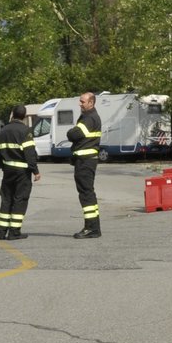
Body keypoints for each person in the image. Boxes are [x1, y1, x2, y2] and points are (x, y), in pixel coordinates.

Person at [0, 103, 41, 240]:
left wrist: (0, 166)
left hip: (8, 171)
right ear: (24, 116)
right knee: (20, 200)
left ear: (12, 114)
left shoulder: (2, 131)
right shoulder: (26, 131)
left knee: (6, 199)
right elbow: (30, 153)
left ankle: (1, 232)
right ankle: (14, 232)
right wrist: (35, 171)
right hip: (22, 172)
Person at [67, 92, 102, 239]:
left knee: (86, 195)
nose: (80, 104)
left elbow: (73, 134)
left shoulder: (89, 118)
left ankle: (91, 228)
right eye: (80, 101)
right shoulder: (89, 117)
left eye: (82, 102)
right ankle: (94, 227)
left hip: (85, 161)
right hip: (86, 161)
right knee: (88, 194)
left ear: (91, 103)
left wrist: (70, 132)